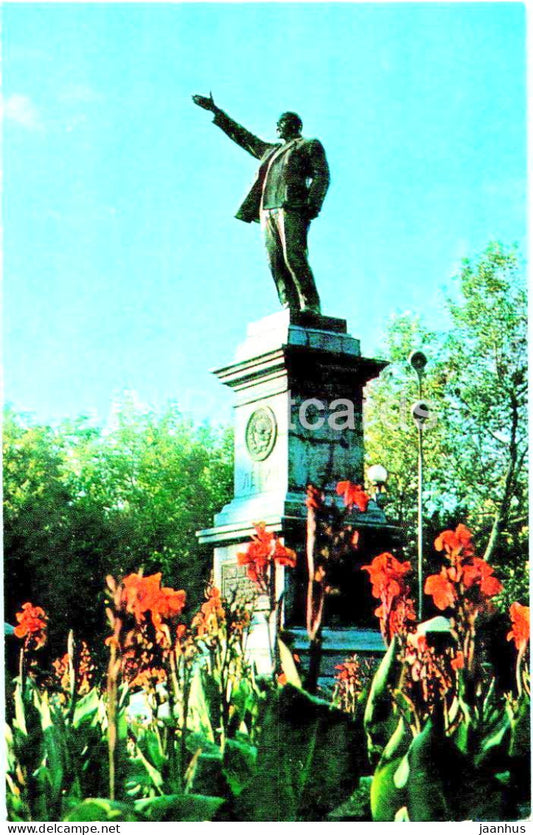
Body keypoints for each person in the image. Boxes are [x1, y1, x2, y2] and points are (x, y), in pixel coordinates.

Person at [192, 93, 330, 314]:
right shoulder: (271, 150)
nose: (277, 127)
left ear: (295, 125)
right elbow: (244, 137)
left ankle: (311, 303)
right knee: (275, 260)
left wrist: (312, 205)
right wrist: (216, 111)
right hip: (267, 210)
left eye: (281, 123)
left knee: (294, 256)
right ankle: (289, 304)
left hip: (292, 208)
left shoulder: (308, 145)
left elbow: (322, 174)